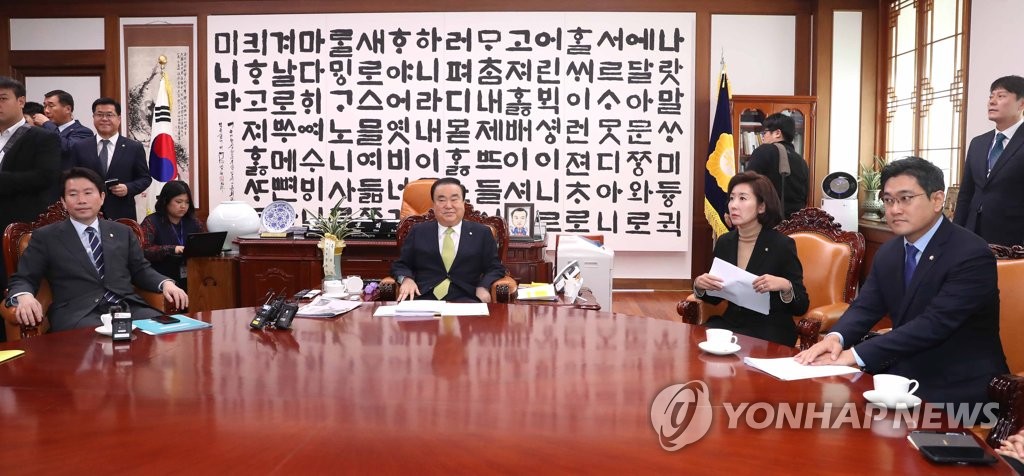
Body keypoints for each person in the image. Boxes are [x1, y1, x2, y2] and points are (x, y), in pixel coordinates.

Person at [796, 157, 1007, 406]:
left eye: (906, 198)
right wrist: (836, 338)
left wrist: (853, 355)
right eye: (888, 200)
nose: (895, 209)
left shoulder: (970, 253)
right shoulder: (890, 251)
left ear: (937, 199)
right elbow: (865, 307)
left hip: (957, 385)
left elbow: (934, 324)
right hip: (900, 374)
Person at [5, 167, 188, 332]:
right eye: (73, 194)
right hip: (79, 315)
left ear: (102, 197)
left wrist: (166, 283)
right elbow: (23, 278)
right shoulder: (46, 237)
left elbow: (141, 270)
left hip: (127, 308)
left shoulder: (123, 232)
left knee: (170, 334)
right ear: (63, 201)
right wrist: (24, 296)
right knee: (99, 346)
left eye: (88, 193)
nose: (81, 200)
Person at [692, 171, 809, 346]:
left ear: (761, 207)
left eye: (742, 198)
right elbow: (715, 298)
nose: (733, 205)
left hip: (770, 328)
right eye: (732, 198)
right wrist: (700, 285)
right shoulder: (725, 242)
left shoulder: (781, 245)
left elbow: (802, 305)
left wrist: (785, 286)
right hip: (732, 324)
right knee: (696, 342)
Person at [391, 177, 507, 303]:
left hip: (467, 299)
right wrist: (406, 279)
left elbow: (495, 268)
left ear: (463, 203)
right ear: (433, 205)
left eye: (454, 199)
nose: (448, 206)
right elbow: (401, 265)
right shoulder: (418, 231)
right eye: (441, 200)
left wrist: (483, 286)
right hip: (423, 298)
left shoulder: (482, 233)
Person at [0, 76, 60, 311]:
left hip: (20, 227)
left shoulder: (42, 137)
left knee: (15, 289)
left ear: (21, 101)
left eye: (3, 99)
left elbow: (45, 177)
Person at [954, 75, 1024, 246]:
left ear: (1021, 104)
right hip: (972, 233)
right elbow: (966, 193)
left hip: (1013, 239)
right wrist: (955, 232)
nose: (992, 101)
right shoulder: (978, 143)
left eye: (1001, 96)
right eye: (991, 96)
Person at [70, 97, 152, 221]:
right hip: (87, 212)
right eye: (99, 115)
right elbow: (72, 178)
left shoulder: (133, 147)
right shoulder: (80, 147)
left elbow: (145, 178)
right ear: (93, 117)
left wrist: (128, 188)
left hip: (121, 213)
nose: (104, 119)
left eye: (109, 115)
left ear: (119, 119)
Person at [140, 181, 207, 290]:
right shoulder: (151, 221)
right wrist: (173, 249)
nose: (183, 206)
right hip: (162, 278)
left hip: (192, 274)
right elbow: (144, 251)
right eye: (178, 201)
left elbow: (205, 243)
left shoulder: (194, 222)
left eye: (187, 202)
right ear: (166, 201)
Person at [744, 113, 809, 218]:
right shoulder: (802, 161)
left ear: (777, 133)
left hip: (770, 221)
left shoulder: (765, 150)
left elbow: (745, 183)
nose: (763, 137)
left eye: (764, 133)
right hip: (796, 222)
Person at [37, 90, 95, 202]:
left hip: (66, 191)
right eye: (45, 106)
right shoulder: (42, 131)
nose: (46, 111)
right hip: (42, 192)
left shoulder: (83, 132)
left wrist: (47, 124)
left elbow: (67, 147)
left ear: (68, 109)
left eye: (51, 106)